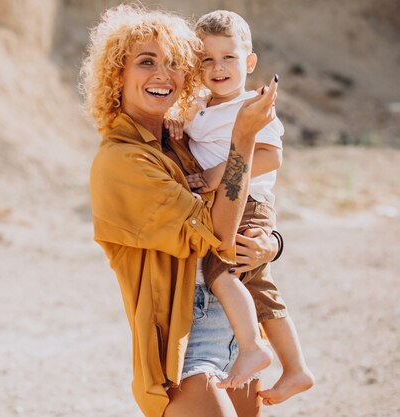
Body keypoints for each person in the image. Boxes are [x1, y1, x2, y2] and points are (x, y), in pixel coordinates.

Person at [80, 4, 280, 417]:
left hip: (236, 336)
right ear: (117, 74)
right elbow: (218, 236)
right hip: (184, 348)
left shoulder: (179, 142)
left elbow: (243, 208)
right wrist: (242, 137)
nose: (162, 74)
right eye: (146, 61)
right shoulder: (123, 160)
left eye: (174, 63)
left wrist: (271, 245)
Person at [165, 10, 314, 405]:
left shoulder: (253, 105)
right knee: (259, 288)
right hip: (230, 204)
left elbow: (270, 156)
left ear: (249, 63)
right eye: (206, 59)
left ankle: (251, 346)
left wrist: (216, 175)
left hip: (250, 204)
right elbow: (183, 125)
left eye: (229, 57)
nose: (218, 67)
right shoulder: (199, 105)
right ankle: (296, 368)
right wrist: (178, 122)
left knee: (221, 271)